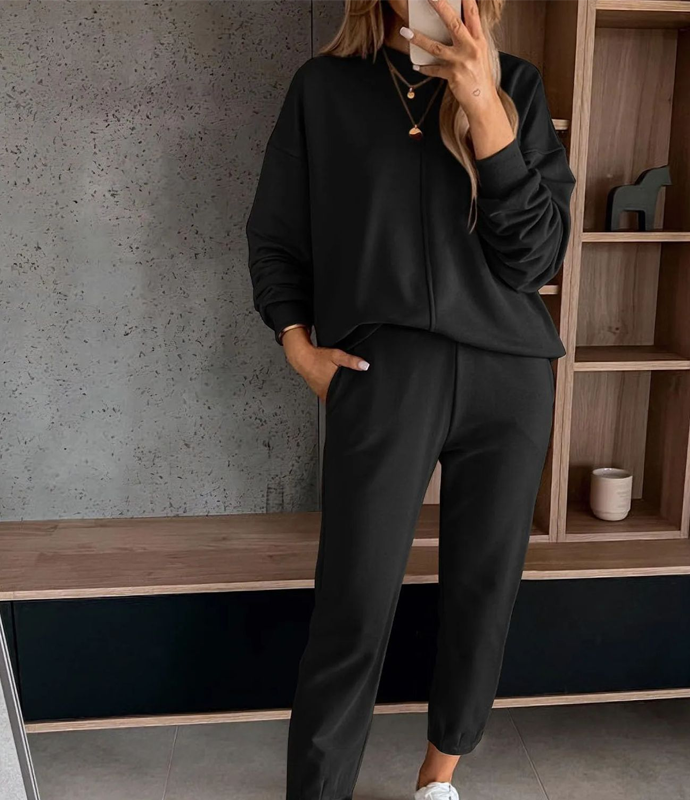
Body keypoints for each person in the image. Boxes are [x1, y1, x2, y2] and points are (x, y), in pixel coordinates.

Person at [246, 0, 575, 798]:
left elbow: (535, 259)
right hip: (383, 372)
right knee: (353, 601)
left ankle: (438, 778)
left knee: (483, 591)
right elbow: (276, 233)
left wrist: (484, 108)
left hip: (510, 374)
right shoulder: (324, 88)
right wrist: (297, 344)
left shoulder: (517, 86)